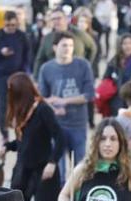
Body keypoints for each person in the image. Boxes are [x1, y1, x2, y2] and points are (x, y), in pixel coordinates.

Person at [0, 73, 63, 201]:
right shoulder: (21, 111)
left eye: (12, 91)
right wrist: (8, 146)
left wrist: (53, 162)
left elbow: (60, 137)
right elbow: (24, 142)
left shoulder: (42, 108)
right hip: (23, 169)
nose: (9, 95)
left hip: (43, 167)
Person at [36, 31, 94, 183]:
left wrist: (64, 101)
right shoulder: (46, 69)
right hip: (56, 126)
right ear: (54, 47)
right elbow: (42, 98)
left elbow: (89, 95)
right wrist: (55, 108)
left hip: (78, 124)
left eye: (70, 45)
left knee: (80, 170)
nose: (67, 49)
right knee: (58, 171)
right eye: (64, 45)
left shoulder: (83, 65)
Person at [0, 10, 31, 139]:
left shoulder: (22, 36)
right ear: (4, 23)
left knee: (19, 104)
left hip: (18, 75)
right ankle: (4, 133)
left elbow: (27, 55)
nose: (11, 28)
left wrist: (25, 72)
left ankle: (19, 131)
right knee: (3, 105)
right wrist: (1, 52)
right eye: (8, 25)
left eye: (13, 25)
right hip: (1, 75)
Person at [32, 8, 96, 73]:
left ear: (65, 19)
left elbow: (92, 48)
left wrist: (86, 66)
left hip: (76, 72)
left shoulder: (78, 34)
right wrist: (36, 78)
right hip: (55, 74)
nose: (56, 21)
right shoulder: (48, 38)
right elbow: (40, 59)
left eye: (59, 18)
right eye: (53, 19)